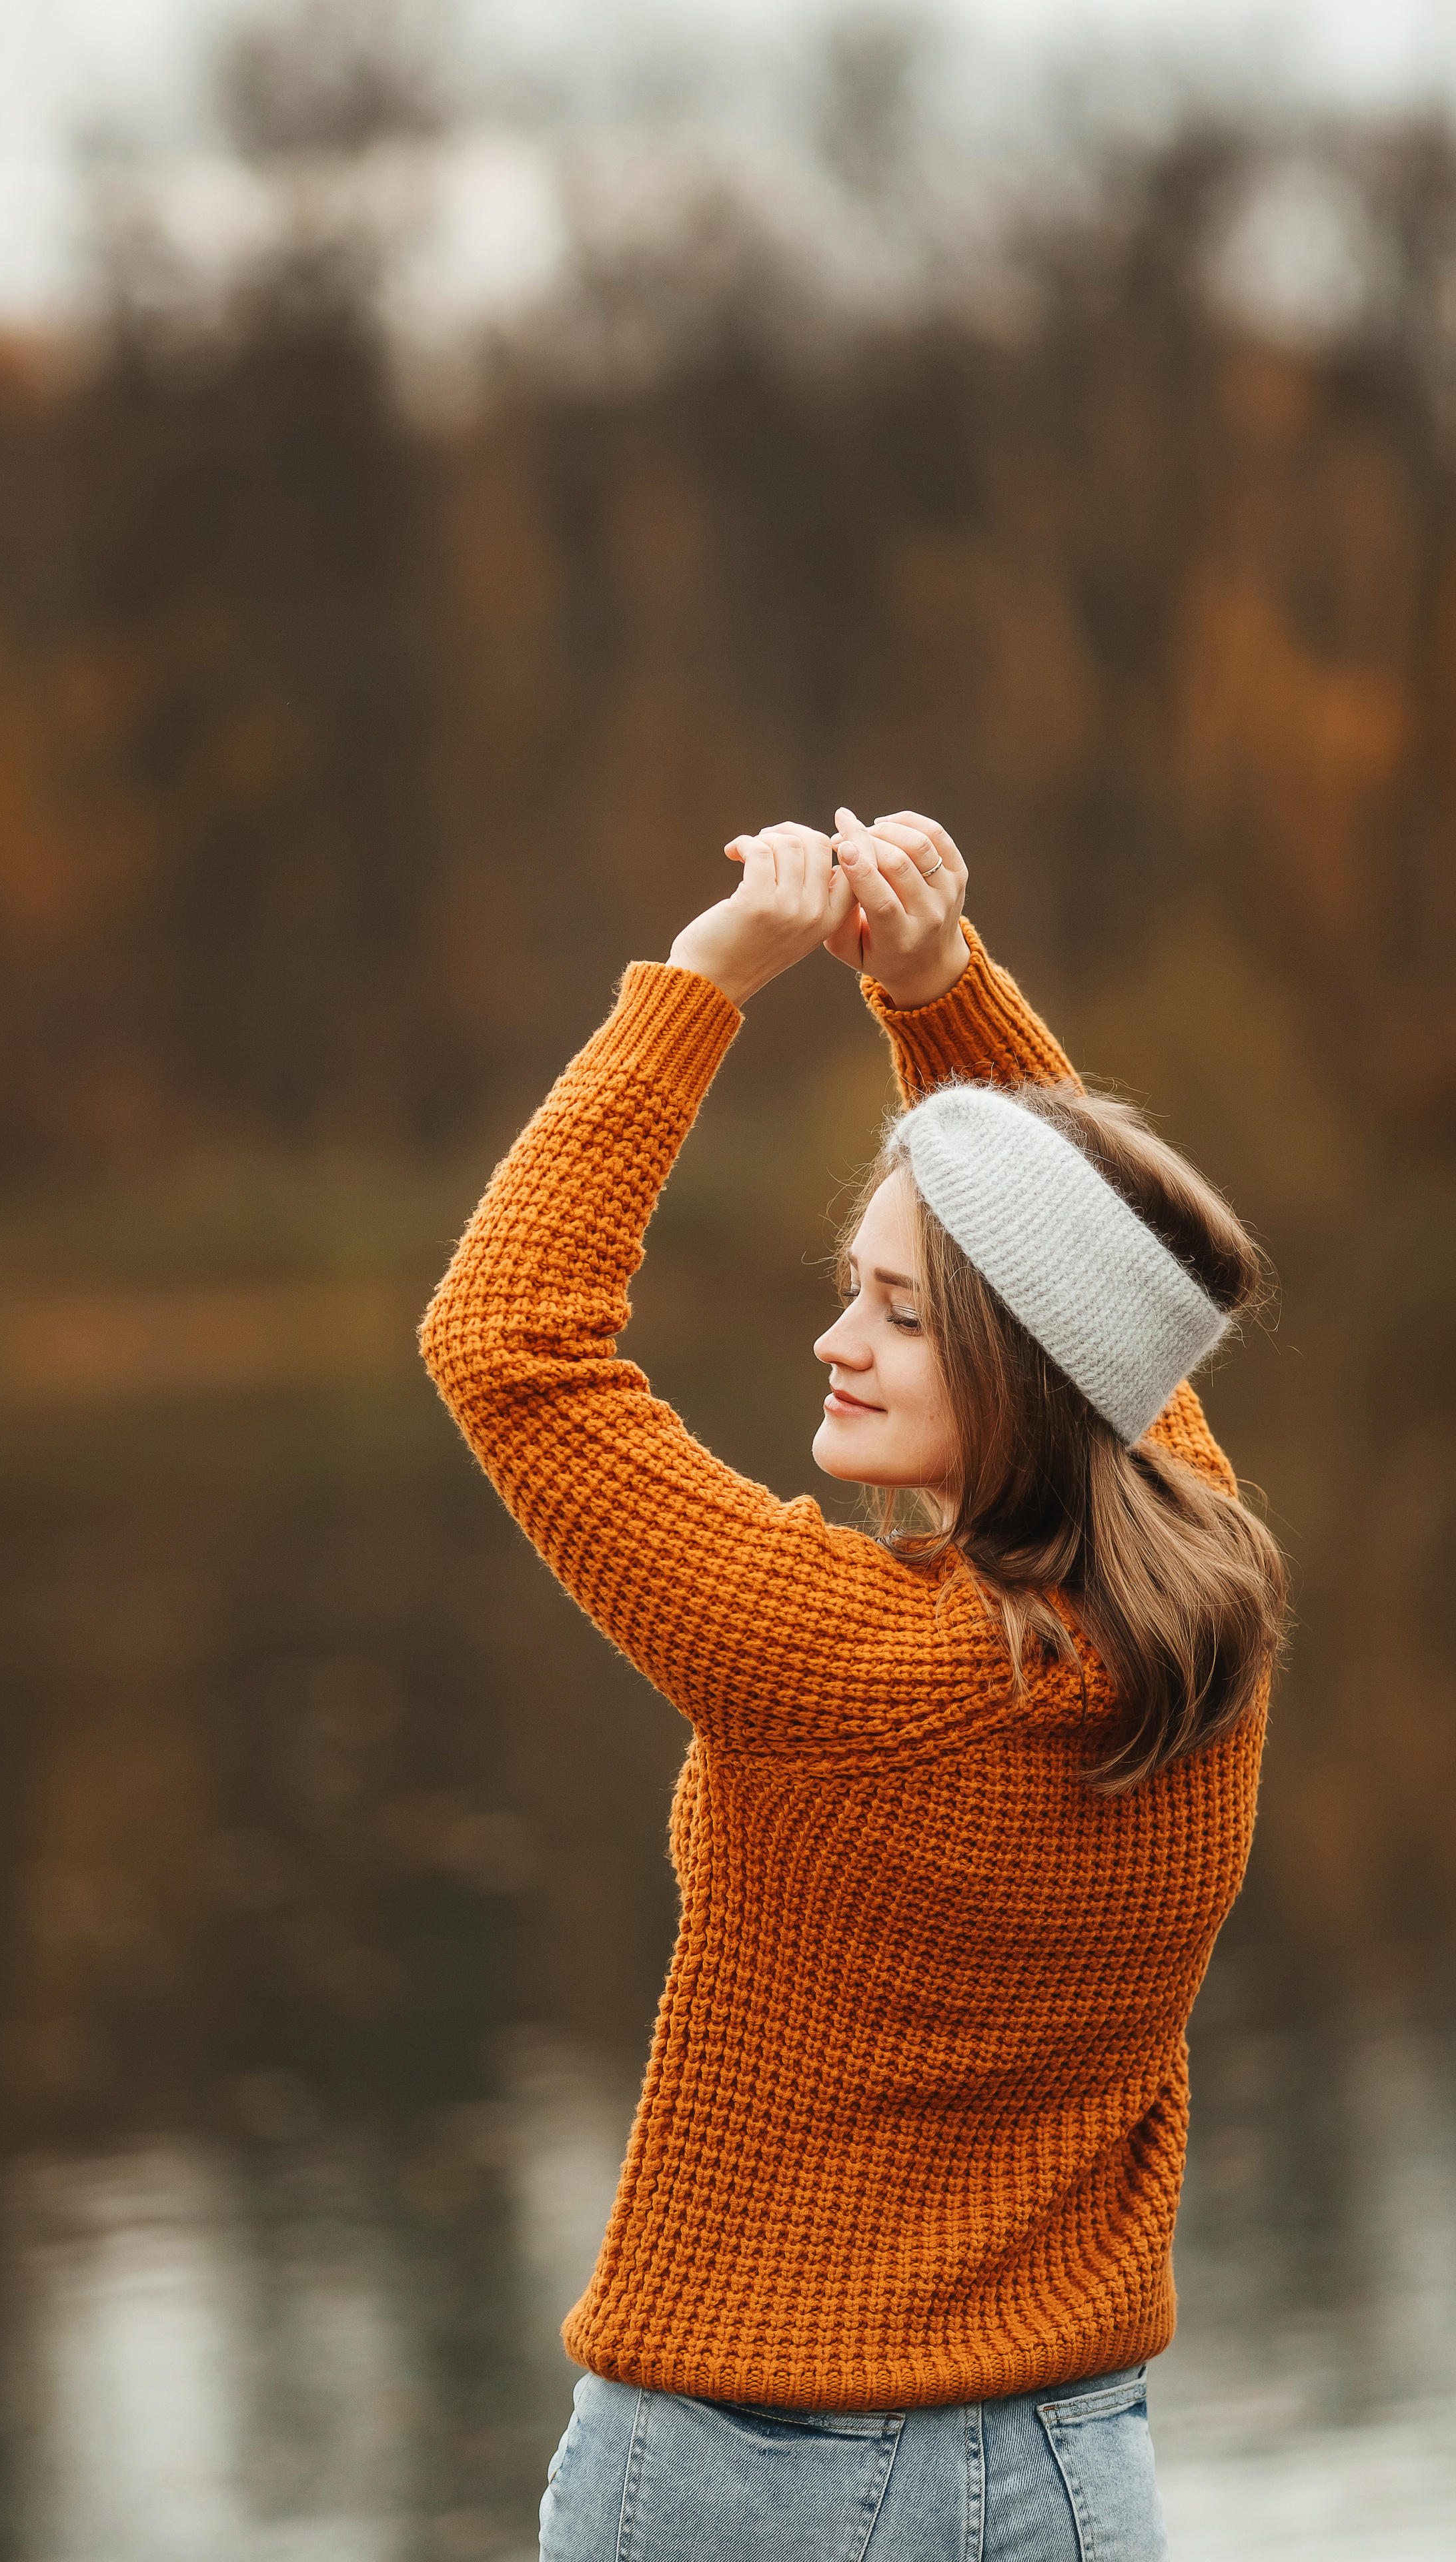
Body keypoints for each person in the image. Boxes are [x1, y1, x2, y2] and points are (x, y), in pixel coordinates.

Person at [420, 809, 1288, 2561]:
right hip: (1068, 2468)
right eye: (852, 1291)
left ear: (1020, 1362)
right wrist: (938, 986)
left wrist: (706, 982)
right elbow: (1129, 1301)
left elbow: (508, 1339)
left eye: (896, 1310)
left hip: (754, 2473)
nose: (838, 1339)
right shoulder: (1208, 1616)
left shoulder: (835, 1659)